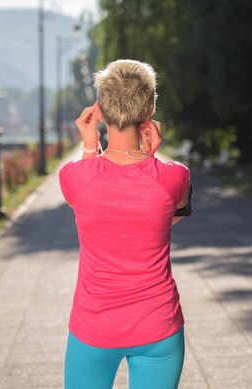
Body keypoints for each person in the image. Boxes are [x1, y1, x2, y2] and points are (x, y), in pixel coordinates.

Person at [58, 59, 192, 389]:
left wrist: (90, 147)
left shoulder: (73, 176)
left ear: (100, 111)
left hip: (94, 329)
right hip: (159, 326)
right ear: (149, 115)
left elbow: (89, 195)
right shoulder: (175, 176)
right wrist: (152, 159)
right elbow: (170, 216)